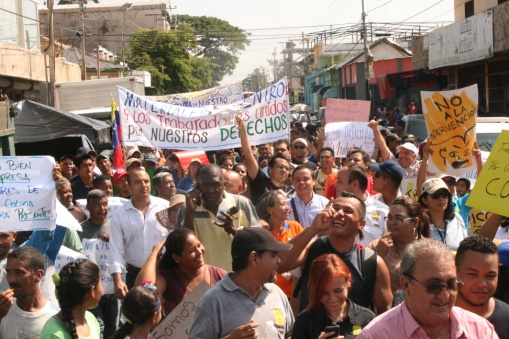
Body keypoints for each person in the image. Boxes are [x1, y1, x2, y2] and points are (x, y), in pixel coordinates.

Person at [358, 239, 498, 338]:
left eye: (451, 285)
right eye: (434, 286)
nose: (445, 296)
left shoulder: (481, 331)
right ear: (406, 284)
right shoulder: (375, 335)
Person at [294, 192, 393, 314]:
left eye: (348, 211)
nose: (339, 213)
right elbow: (281, 263)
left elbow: (386, 313)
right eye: (335, 208)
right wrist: (313, 228)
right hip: (312, 332)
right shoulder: (312, 247)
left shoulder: (372, 263)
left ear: (361, 224)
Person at [189, 227, 294, 338]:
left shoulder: (276, 293)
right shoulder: (213, 301)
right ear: (254, 259)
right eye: (273, 255)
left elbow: (290, 334)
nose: (279, 261)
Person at [176, 164, 261, 271]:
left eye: (215, 184)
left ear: (224, 184)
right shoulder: (187, 209)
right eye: (205, 185)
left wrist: (235, 231)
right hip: (204, 280)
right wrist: (189, 212)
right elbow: (182, 247)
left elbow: (258, 241)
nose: (210, 190)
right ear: (197, 186)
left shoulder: (242, 204)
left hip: (237, 278)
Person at [135, 229, 227, 316]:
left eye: (199, 245)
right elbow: (143, 291)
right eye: (191, 251)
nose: (199, 252)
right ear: (176, 258)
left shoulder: (219, 275)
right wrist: (155, 253)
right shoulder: (168, 279)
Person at [109, 168, 170, 297]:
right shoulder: (119, 215)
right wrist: (118, 280)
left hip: (164, 273)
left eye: (146, 181)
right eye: (138, 182)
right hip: (134, 275)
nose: (143, 185)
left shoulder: (166, 207)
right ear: (129, 186)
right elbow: (116, 250)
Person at [292, 254, 376, 339]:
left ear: (348, 282)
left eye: (338, 291)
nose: (333, 299)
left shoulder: (366, 318)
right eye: (324, 293)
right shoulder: (305, 322)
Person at [369, 196, 429, 294]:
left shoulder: (429, 249)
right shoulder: (376, 246)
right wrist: (379, 256)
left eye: (399, 219)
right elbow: (366, 281)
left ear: (415, 222)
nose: (392, 223)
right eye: (389, 218)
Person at [78, 190, 118, 337]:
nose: (102, 209)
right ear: (88, 207)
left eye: (105, 204)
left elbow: (124, 252)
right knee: (97, 327)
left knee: (112, 328)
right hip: (90, 290)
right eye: (97, 205)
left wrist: (113, 241)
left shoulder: (115, 227)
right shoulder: (79, 229)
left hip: (111, 289)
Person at [454, 236, 509, 338]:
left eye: (490, 276)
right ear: (455, 271)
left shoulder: (506, 319)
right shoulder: (435, 315)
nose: (482, 284)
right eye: (472, 274)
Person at [0, 246, 58, 338]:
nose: (11, 280)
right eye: (8, 272)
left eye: (19, 272)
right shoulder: (3, 310)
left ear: (38, 275)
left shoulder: (55, 316)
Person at [256, 191, 304, 298]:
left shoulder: (295, 226)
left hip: (295, 293)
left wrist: (296, 272)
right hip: (270, 293)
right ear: (269, 209)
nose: (287, 207)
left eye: (286, 204)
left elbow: (306, 250)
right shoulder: (263, 232)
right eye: (282, 204)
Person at [237, 116, 294, 205]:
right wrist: (243, 131)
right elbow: (249, 157)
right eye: (280, 167)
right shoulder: (261, 181)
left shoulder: (291, 192)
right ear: (270, 169)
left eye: (287, 168)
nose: (284, 170)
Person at [41, 259, 103, 339]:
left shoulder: (91, 319)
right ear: (92, 292)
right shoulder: (52, 333)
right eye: (101, 284)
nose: (103, 292)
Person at [334, 164, 389, 247]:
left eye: (339, 181)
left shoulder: (384, 211)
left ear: (354, 183)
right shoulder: (334, 209)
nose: (335, 185)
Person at [418, 178, 467, 250]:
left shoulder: (457, 218)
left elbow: (466, 248)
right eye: (436, 195)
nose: (441, 198)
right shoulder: (418, 225)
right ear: (424, 200)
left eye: (444, 194)